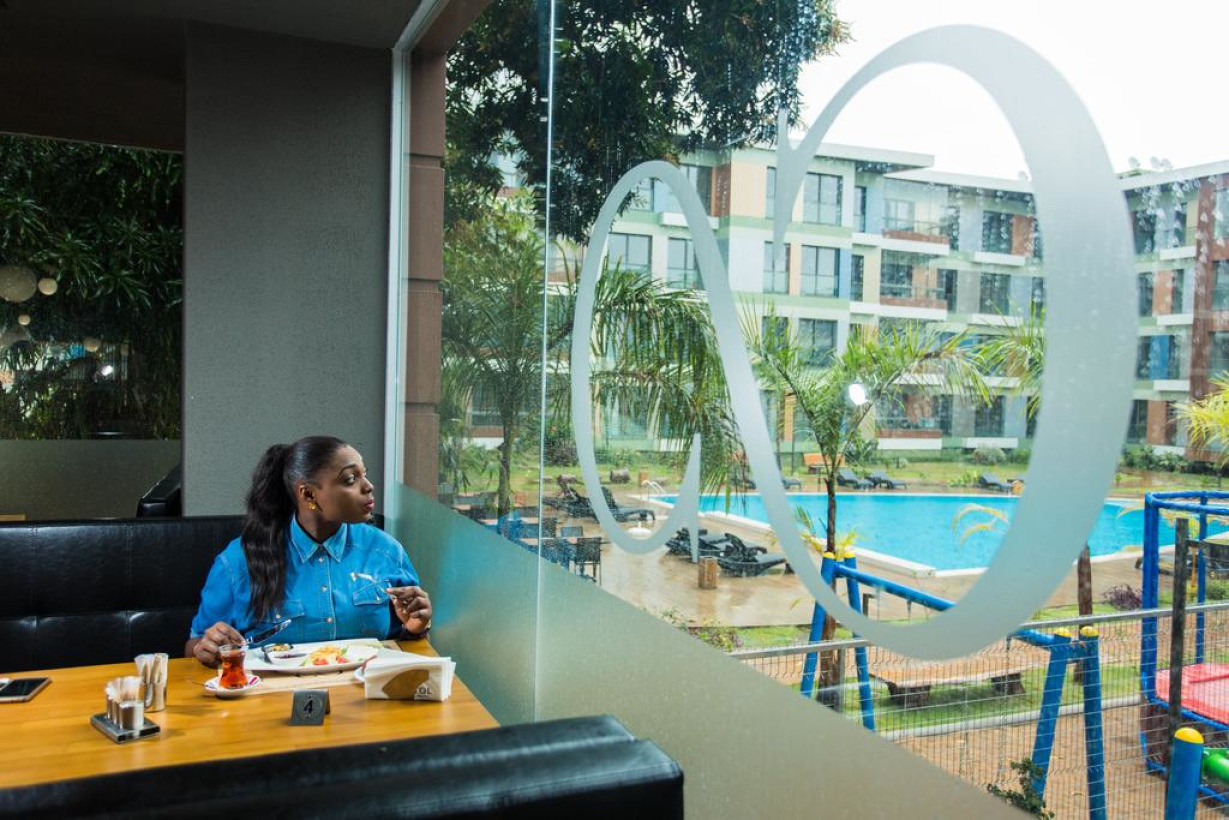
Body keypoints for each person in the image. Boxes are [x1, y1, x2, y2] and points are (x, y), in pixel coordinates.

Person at [186, 436, 432, 667]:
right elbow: (193, 648)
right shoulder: (239, 562)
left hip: (366, 693)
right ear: (309, 494)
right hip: (274, 695)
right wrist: (208, 648)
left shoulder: (387, 552)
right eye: (350, 479)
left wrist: (416, 629)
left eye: (364, 475)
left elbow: (405, 647)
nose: (368, 486)